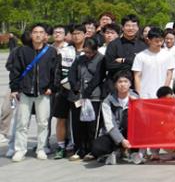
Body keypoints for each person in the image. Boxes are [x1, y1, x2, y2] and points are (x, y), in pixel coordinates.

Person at [8, 23, 61, 162]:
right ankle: (20, 150)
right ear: (31, 35)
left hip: (44, 92)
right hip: (25, 91)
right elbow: (15, 70)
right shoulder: (22, 51)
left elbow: (56, 71)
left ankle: (41, 148)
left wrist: (52, 87)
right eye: (35, 32)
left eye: (41, 32)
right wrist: (14, 89)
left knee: (43, 122)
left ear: (45, 35)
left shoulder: (51, 52)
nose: (38, 34)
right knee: (22, 123)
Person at [68, 36, 105, 161]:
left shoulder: (101, 59)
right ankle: (79, 149)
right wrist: (74, 85)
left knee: (92, 125)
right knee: (78, 124)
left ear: (96, 50)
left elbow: (98, 77)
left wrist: (88, 91)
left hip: (93, 96)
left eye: (90, 52)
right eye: (86, 51)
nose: (87, 54)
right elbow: (71, 73)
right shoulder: (80, 59)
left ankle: (92, 150)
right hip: (78, 96)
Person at [92, 71, 141, 165]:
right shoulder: (107, 101)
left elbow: (142, 120)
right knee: (97, 147)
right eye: (120, 82)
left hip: (130, 133)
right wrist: (121, 140)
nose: (123, 84)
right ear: (115, 85)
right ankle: (115, 151)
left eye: (125, 81)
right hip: (113, 134)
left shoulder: (136, 98)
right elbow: (110, 124)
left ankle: (134, 152)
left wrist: (136, 104)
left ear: (130, 84)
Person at [50, 24, 78, 159]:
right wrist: (57, 87)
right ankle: (60, 146)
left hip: (78, 91)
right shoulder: (64, 51)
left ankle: (72, 145)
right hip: (63, 90)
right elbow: (57, 71)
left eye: (79, 33)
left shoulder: (87, 50)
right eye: (74, 33)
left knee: (75, 119)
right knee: (61, 118)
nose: (76, 36)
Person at [104, 15, 147, 91]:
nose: (131, 28)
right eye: (127, 25)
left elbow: (144, 66)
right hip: (115, 88)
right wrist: (133, 63)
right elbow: (109, 65)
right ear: (122, 27)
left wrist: (124, 60)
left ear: (138, 28)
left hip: (136, 87)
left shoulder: (143, 46)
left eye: (133, 26)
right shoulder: (113, 45)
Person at [132, 28, 175, 100]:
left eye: (161, 40)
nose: (159, 43)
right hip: (144, 94)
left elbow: (169, 74)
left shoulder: (168, 55)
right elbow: (137, 76)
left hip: (162, 96)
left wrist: (164, 93)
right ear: (149, 40)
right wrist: (138, 95)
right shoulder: (140, 56)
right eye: (156, 41)